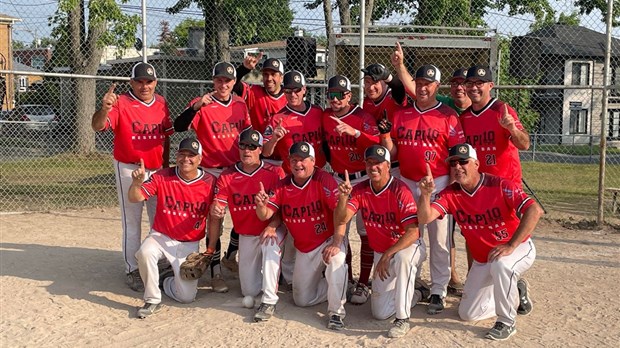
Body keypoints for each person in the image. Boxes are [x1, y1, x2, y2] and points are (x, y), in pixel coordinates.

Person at [417, 143, 542, 341]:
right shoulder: (451, 194)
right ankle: (514, 293)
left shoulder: (499, 185)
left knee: (502, 265)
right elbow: (425, 218)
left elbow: (534, 210)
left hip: (518, 248)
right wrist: (425, 195)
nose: (458, 167)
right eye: (454, 163)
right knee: (468, 314)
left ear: (476, 163)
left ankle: (506, 322)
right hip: (483, 259)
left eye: (463, 162)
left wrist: (511, 245)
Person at [380, 64, 465, 315]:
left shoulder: (448, 115)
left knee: (439, 239)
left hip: (438, 182)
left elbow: (456, 156)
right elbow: (394, 153)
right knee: (409, 234)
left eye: (428, 83)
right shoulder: (402, 114)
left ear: (437, 87)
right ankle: (413, 282)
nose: (423, 87)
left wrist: (451, 188)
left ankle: (439, 289)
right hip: (407, 182)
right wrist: (385, 137)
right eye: (419, 82)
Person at [91, 62, 174, 292]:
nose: (144, 85)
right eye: (139, 81)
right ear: (131, 82)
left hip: (156, 169)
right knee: (132, 220)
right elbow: (97, 127)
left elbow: (165, 136)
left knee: (158, 218)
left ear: (155, 83)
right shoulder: (121, 103)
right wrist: (105, 109)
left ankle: (158, 260)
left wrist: (165, 167)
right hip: (128, 166)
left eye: (149, 81)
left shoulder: (161, 102)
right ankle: (132, 268)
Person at [173, 61, 252, 293]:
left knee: (244, 215)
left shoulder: (240, 104)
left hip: (235, 170)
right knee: (215, 220)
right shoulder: (203, 104)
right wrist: (195, 107)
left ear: (234, 82)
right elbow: (178, 126)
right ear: (213, 81)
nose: (223, 84)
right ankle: (215, 271)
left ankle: (230, 256)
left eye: (228, 80)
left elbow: (246, 134)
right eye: (219, 80)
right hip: (210, 170)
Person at [334, 145, 426, 338]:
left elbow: (413, 232)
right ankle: (416, 294)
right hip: (382, 252)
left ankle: (402, 319)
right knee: (379, 313)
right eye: (369, 163)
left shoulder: (400, 189)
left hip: (407, 246)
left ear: (387, 165)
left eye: (378, 163)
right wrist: (343, 199)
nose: (373, 167)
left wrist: (388, 253)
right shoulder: (360, 189)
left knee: (403, 259)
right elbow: (341, 219)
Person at [255, 142, 348, 331]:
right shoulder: (284, 185)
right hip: (305, 247)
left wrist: (337, 241)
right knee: (301, 300)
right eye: (294, 160)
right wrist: (260, 205)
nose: (298, 164)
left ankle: (336, 312)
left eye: (303, 160)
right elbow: (265, 215)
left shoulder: (324, 179)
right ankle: (336, 287)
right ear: (289, 162)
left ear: (313, 161)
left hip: (327, 240)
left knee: (336, 259)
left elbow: (340, 218)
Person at [128, 137, 218, 319]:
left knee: (186, 298)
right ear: (176, 156)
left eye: (191, 155)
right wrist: (136, 183)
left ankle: (165, 279)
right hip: (161, 236)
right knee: (145, 252)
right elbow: (134, 198)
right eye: (182, 154)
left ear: (200, 159)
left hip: (189, 243)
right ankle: (152, 299)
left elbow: (214, 220)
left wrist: (209, 250)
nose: (186, 159)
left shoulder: (210, 182)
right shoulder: (163, 175)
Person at [209, 129, 286, 322]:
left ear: (261, 149)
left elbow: (285, 209)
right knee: (249, 290)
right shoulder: (228, 175)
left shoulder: (274, 172)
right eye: (243, 145)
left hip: (272, 228)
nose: (247, 150)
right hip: (247, 235)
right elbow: (219, 202)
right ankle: (273, 275)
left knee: (270, 243)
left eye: (252, 146)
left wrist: (273, 225)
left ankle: (269, 300)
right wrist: (216, 209)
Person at [323, 74, 380, 305]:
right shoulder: (325, 116)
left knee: (365, 233)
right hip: (339, 179)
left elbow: (377, 144)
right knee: (340, 232)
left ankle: (364, 282)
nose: (335, 99)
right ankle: (344, 278)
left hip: (362, 179)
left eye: (340, 94)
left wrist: (355, 133)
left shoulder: (361, 116)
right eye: (331, 95)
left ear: (349, 95)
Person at [460, 65, 530, 187]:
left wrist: (513, 129)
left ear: (490, 86)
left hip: (505, 184)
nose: (474, 87)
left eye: (479, 83)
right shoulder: (464, 117)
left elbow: (525, 145)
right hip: (478, 185)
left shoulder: (502, 110)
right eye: (470, 83)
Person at [436, 67, 472, 295]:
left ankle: (475, 276)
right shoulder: (445, 104)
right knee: (447, 230)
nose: (459, 87)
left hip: (473, 179)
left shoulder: (481, 108)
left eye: (464, 83)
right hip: (451, 177)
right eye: (455, 82)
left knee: (472, 229)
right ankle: (452, 275)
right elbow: (416, 90)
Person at [263, 70, 327, 174]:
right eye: (288, 91)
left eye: (296, 90)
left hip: (318, 173)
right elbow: (265, 152)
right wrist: (274, 139)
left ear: (304, 89)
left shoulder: (317, 111)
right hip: (293, 175)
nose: (293, 94)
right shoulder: (278, 119)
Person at [233, 54, 287, 133]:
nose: (269, 78)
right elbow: (232, 84)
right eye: (266, 74)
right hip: (258, 143)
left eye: (273, 74)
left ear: (281, 78)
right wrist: (244, 69)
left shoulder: (289, 96)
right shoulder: (254, 93)